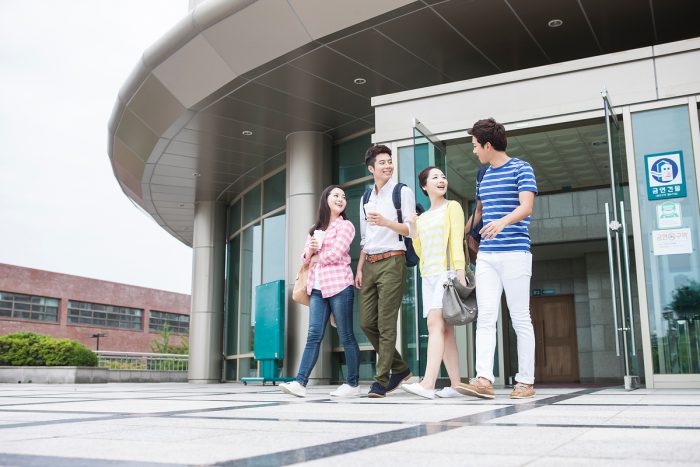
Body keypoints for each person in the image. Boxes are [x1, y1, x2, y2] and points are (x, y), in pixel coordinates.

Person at [457, 118, 538, 400]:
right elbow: (479, 212)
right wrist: (459, 235)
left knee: (520, 318)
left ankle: (525, 381)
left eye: (475, 145)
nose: (474, 150)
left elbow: (527, 206)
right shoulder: (482, 175)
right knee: (486, 316)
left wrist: (502, 222)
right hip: (488, 256)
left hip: (515, 252)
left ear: (488, 145)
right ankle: (484, 379)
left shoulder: (521, 168)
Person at [280, 185, 360, 398]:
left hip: (339, 285)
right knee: (313, 335)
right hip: (316, 288)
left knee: (346, 335)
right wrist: (310, 251)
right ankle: (300, 382)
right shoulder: (315, 229)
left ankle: (352, 384)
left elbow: (337, 253)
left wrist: (316, 257)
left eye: (343, 196)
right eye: (336, 195)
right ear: (326, 199)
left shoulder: (346, 226)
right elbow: (304, 258)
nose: (341, 199)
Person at [401, 166, 466, 400]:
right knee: (445, 331)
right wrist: (413, 229)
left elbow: (457, 241)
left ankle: (428, 383)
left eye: (443, 177)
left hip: (446, 273)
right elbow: (420, 252)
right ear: (424, 186)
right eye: (435, 177)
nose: (441, 180)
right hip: (427, 276)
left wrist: (459, 272)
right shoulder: (423, 217)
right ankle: (457, 385)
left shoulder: (452, 207)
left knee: (434, 324)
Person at [356, 144, 414, 398]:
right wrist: (360, 268)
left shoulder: (402, 192)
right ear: (371, 169)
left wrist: (387, 222)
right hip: (370, 262)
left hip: (393, 260)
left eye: (389, 161)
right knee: (367, 322)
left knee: (386, 324)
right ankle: (400, 368)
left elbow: (411, 229)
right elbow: (365, 238)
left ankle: (381, 381)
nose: (388, 165)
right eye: (382, 162)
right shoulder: (365, 198)